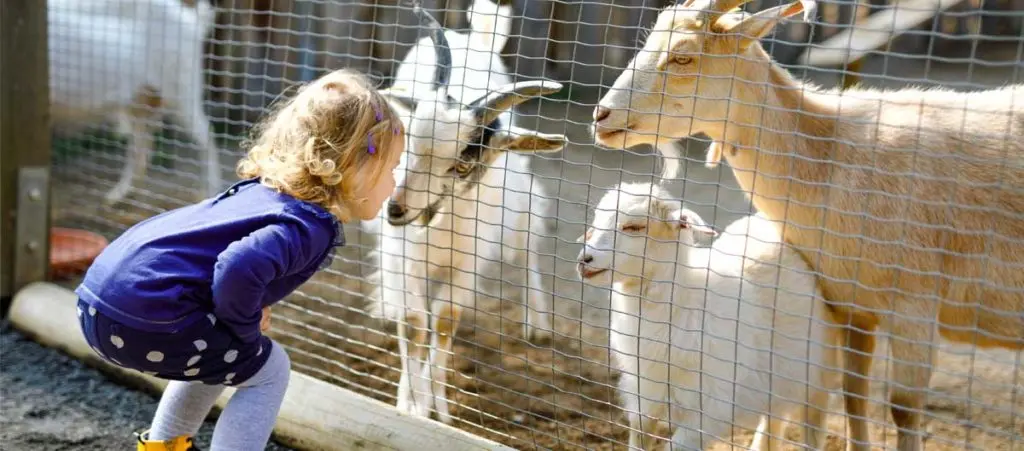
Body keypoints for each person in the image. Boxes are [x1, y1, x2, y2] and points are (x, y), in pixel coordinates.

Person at [74, 69, 405, 451]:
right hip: (151, 318)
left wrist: (243, 314)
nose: (395, 184)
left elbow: (221, 266)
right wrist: (245, 328)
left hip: (98, 303)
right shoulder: (308, 226)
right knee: (269, 369)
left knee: (221, 354)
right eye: (392, 168)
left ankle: (163, 447)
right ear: (355, 166)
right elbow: (238, 268)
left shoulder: (258, 195)